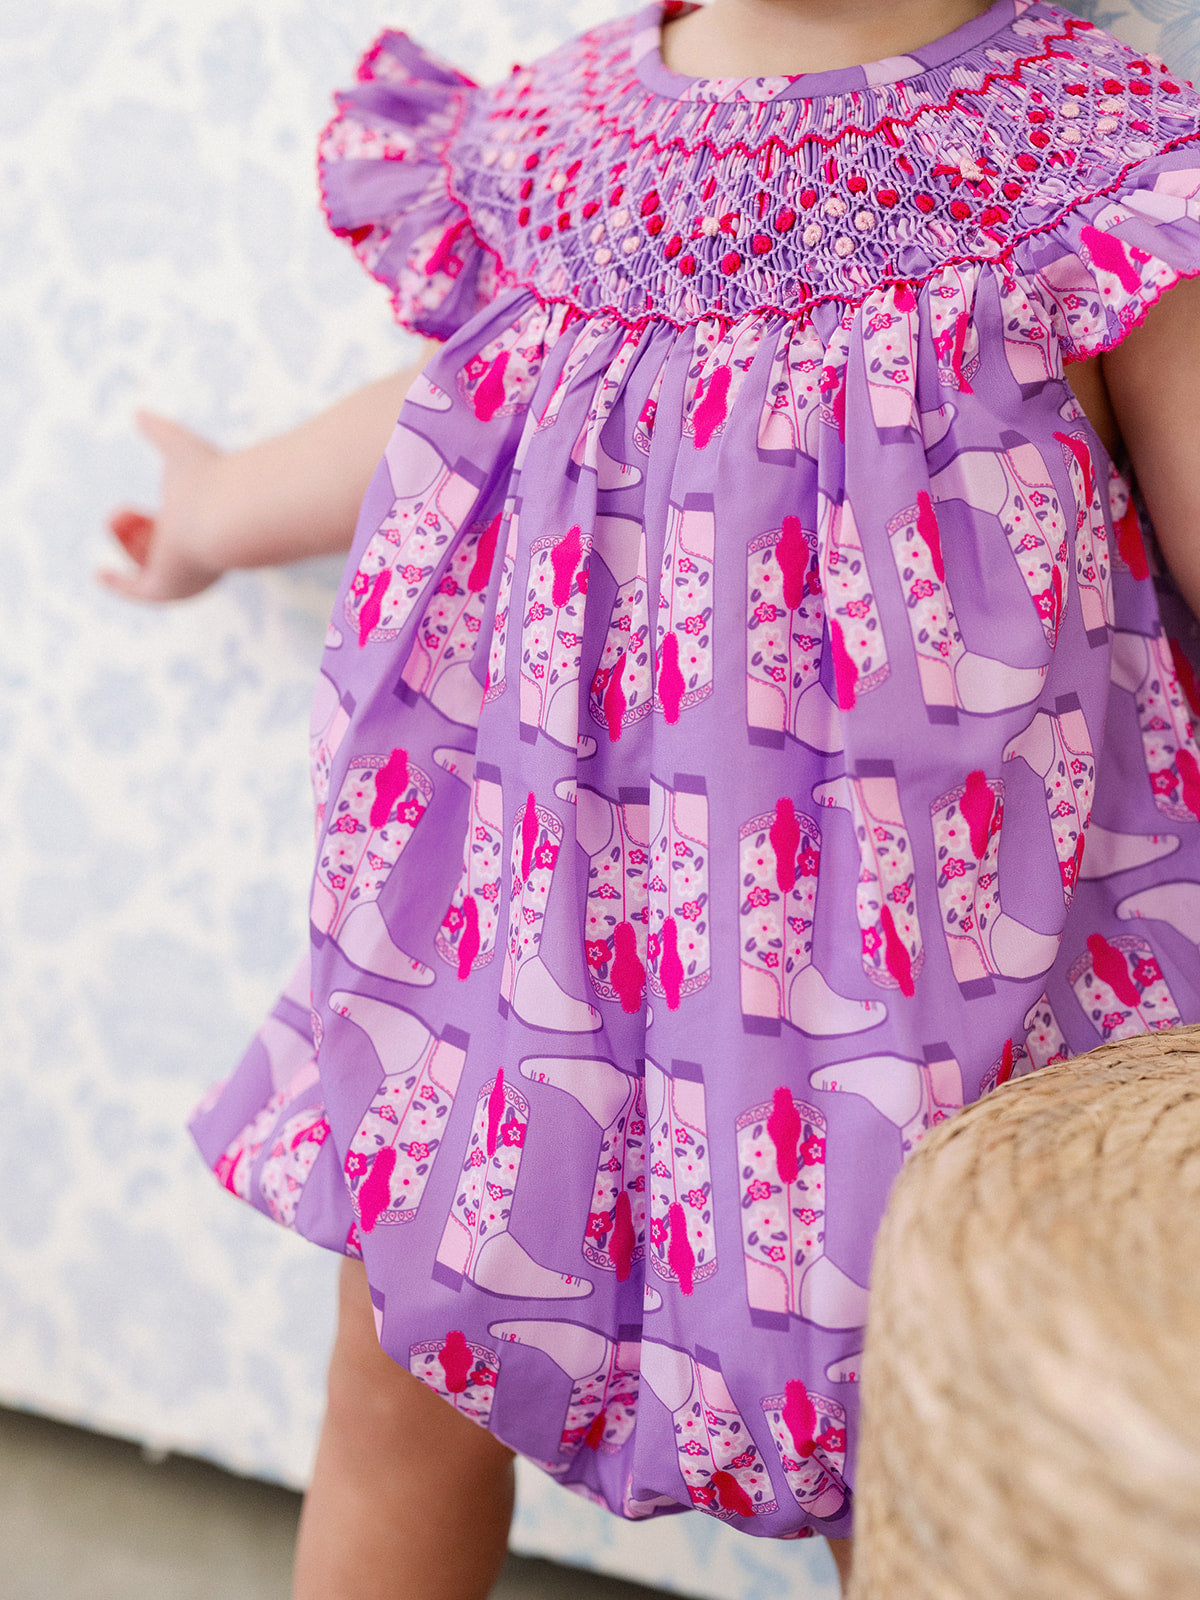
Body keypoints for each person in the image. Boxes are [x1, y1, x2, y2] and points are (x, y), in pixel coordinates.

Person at [102, 0, 1200, 1594]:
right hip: (522, 955)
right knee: (402, 1383)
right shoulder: (567, 140)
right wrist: (217, 509)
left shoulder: (1085, 154)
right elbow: (451, 401)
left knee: (925, 1443)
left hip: (927, 987)